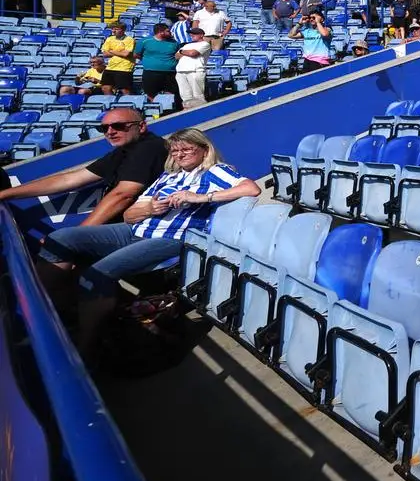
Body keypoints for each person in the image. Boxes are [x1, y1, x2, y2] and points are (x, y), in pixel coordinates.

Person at [38, 128, 259, 355]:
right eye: (175, 151)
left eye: (186, 149)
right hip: (135, 229)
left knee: (95, 275)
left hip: (172, 237)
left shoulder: (215, 172)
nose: (179, 155)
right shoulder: (168, 176)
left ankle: (86, 346)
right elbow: (128, 215)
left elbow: (251, 188)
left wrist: (201, 197)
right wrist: (149, 209)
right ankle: (43, 309)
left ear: (204, 150)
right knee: (60, 238)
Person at [0, 107, 168, 227]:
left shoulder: (149, 148)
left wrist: (76, 236)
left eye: (118, 126)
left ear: (141, 126)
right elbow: (69, 179)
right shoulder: (123, 150)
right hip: (120, 225)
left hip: (138, 227)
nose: (110, 132)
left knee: (57, 254)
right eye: (104, 128)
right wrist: (5, 194)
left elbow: (123, 194)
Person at [134, 23, 182, 108]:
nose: (170, 32)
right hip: (151, 72)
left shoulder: (174, 43)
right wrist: (149, 61)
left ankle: (168, 110)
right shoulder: (145, 41)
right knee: (151, 93)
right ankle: (154, 110)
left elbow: (178, 54)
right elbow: (136, 55)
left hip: (170, 73)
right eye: (168, 31)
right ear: (161, 32)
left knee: (171, 92)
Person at [175, 26, 211, 109]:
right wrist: (184, 52)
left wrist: (182, 51)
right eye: (191, 34)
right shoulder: (187, 45)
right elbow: (176, 56)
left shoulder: (205, 44)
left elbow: (193, 53)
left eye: (195, 34)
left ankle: (201, 113)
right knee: (185, 96)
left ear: (201, 35)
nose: (192, 35)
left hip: (195, 71)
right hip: (181, 71)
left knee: (198, 96)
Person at [99, 22, 136, 96]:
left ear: (123, 30)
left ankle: (127, 106)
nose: (113, 31)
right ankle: (111, 104)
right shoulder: (109, 39)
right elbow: (105, 54)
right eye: (112, 29)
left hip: (124, 68)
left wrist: (111, 51)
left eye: (116, 29)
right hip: (110, 67)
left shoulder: (129, 40)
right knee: (105, 88)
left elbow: (126, 54)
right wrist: (119, 52)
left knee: (124, 90)